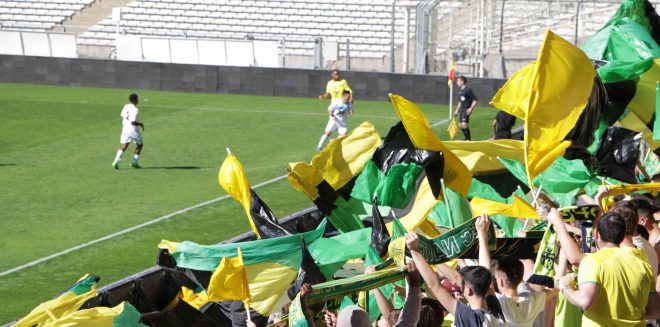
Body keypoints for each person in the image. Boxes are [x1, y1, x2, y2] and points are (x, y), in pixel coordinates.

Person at [558, 211, 654, 326]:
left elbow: (584, 301)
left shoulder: (593, 261)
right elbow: (655, 310)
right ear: (623, 235)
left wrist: (564, 287)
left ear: (596, 234)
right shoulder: (643, 265)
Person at [406, 222, 505, 326]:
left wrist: (415, 251)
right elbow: (486, 271)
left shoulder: (470, 318)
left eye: (462, 284)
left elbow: (435, 286)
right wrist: (482, 233)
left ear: (468, 290)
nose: (459, 285)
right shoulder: (496, 313)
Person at [318, 69, 353, 151]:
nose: (338, 76)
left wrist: (350, 103)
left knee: (344, 134)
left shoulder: (343, 82)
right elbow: (328, 94)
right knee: (329, 131)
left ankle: (333, 142)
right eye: (336, 74)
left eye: (338, 74)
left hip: (343, 106)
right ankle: (319, 146)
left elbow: (349, 92)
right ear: (332, 75)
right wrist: (323, 97)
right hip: (334, 108)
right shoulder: (329, 83)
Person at [112, 93, 144, 169]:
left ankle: (115, 162)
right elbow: (133, 122)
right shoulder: (135, 109)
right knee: (140, 145)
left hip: (125, 129)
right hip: (132, 129)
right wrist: (141, 124)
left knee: (124, 145)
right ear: (135, 99)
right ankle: (134, 162)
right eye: (137, 98)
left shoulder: (126, 106)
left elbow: (122, 116)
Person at [452, 76, 477, 141]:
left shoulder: (468, 90)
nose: (457, 82)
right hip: (462, 110)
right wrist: (457, 110)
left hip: (466, 110)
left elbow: (475, 100)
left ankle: (468, 139)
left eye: (458, 81)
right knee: (460, 125)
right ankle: (466, 138)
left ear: (462, 82)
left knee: (464, 124)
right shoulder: (461, 91)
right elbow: (460, 101)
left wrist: (471, 108)